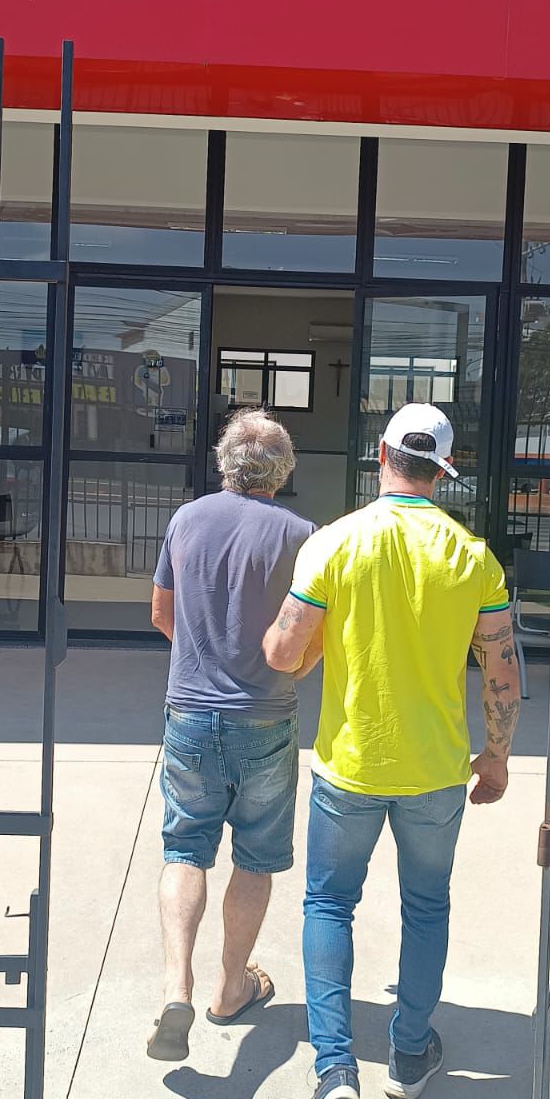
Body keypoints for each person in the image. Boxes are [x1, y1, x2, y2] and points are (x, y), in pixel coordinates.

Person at [263, 403, 520, 1099]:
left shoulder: (333, 543)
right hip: (436, 773)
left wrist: (309, 643)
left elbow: (282, 653)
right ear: (443, 470)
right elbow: (502, 673)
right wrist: (496, 756)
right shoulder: (473, 558)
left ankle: (335, 1070)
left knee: (328, 904)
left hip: (349, 766)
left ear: (380, 455)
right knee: (426, 906)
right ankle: (409, 1053)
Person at [146, 408, 320, 1063]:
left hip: (190, 711)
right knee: (256, 856)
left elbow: (161, 613)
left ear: (224, 461)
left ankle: (176, 988)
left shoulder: (186, 520)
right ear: (284, 468)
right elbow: (310, 634)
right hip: (265, 715)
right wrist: (289, 669)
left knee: (184, 848)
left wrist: (201, 657)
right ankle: (230, 988)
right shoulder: (302, 536)